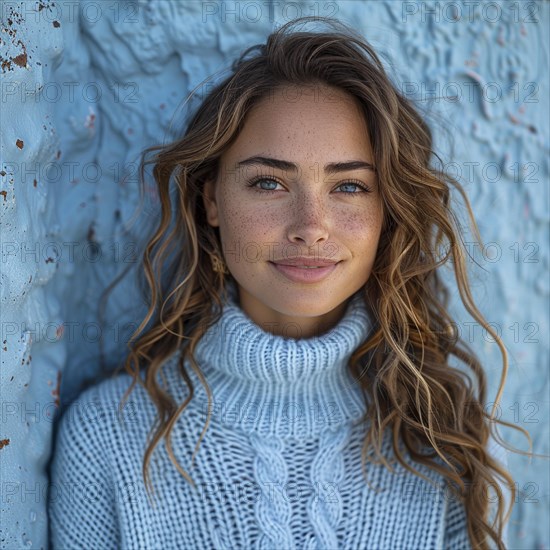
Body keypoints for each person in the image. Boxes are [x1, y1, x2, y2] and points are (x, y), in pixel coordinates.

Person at [48, 16, 531, 550]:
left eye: (348, 185)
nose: (310, 227)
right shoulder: (108, 438)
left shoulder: (444, 438)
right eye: (269, 182)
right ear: (211, 199)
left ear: (387, 209)